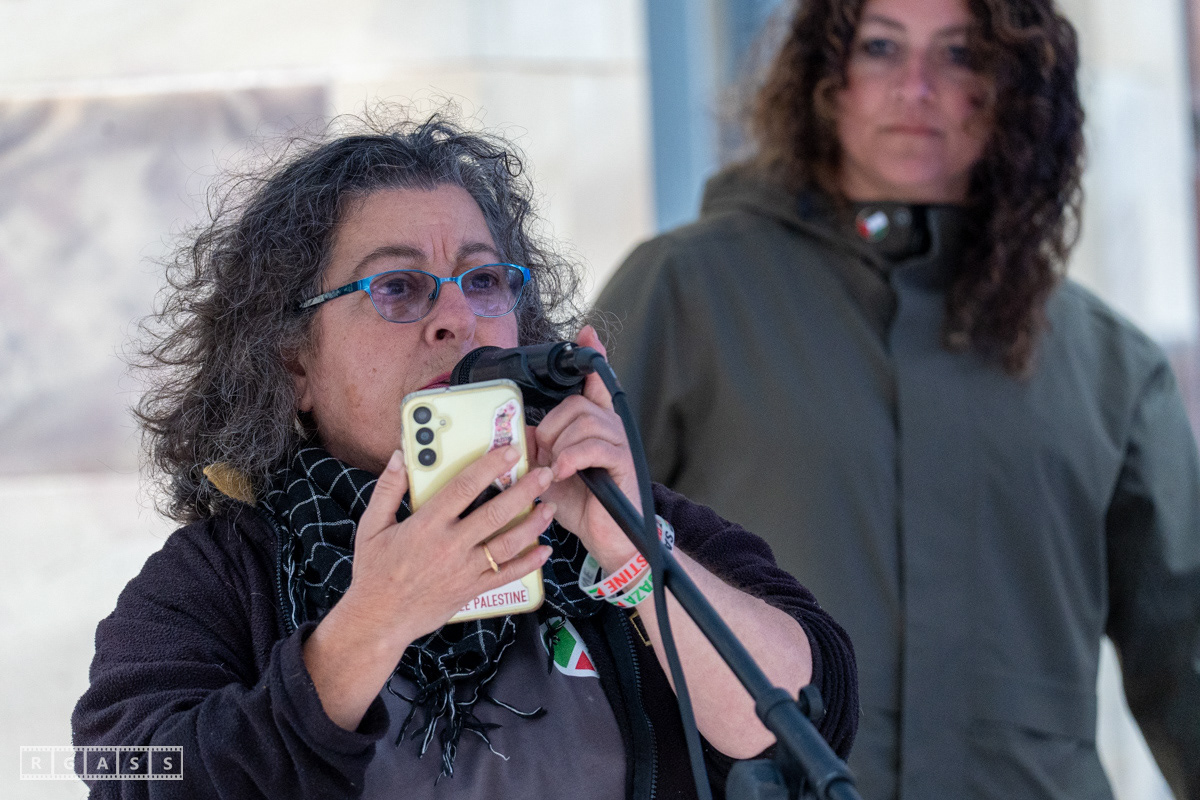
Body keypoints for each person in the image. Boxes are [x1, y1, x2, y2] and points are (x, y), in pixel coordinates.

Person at [71, 111, 857, 799]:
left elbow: (803, 722)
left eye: (483, 280)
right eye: (397, 287)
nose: (457, 318)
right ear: (293, 364)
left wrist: (632, 552)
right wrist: (371, 625)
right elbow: (136, 777)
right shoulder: (215, 578)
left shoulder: (611, 511)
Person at [593, 0, 1200, 797]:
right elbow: (570, 566)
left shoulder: (1110, 365)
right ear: (826, 77)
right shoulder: (687, 293)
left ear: (1015, 88)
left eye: (961, 54)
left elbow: (1185, 654)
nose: (916, 87)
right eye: (881, 47)